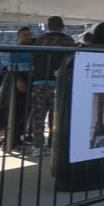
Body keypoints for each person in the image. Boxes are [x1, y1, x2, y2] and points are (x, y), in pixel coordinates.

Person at [30, 16, 75, 155]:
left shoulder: (40, 40)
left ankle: (38, 146)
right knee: (57, 117)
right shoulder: (68, 41)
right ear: (62, 26)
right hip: (59, 84)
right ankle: (53, 144)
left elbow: (33, 59)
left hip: (39, 82)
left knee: (39, 115)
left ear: (48, 26)